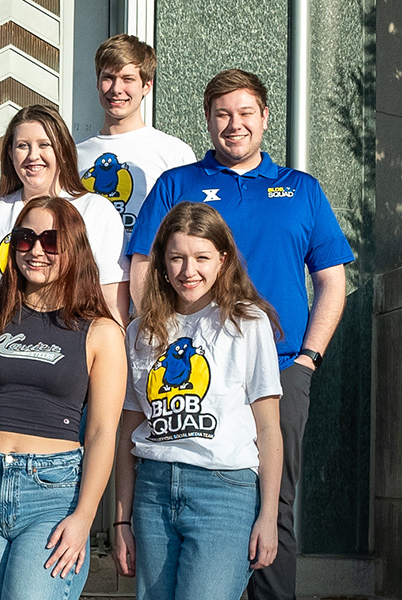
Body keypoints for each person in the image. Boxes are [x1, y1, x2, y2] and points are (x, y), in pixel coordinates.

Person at [126, 69, 355, 600]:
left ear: (265, 118)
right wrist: (159, 336)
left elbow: (331, 280)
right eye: (222, 114)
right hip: (188, 372)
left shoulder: (301, 190)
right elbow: (143, 266)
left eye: (246, 113)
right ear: (207, 120)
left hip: (279, 367)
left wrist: (308, 360)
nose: (234, 125)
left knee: (275, 506)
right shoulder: (176, 184)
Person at [0, 196, 126, 600]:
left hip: (53, 494)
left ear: (73, 248)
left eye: (50, 240)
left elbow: (102, 433)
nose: (36, 251)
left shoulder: (102, 332)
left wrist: (85, 516)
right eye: (25, 239)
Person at [114, 202, 284, 599]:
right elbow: (127, 432)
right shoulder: (140, 332)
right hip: (153, 491)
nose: (189, 271)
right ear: (161, 263)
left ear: (223, 260)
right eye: (177, 258)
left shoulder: (247, 322)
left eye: (202, 257)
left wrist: (270, 515)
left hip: (224, 490)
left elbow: (269, 427)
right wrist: (121, 521)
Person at [0, 104, 128, 393]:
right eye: (22, 146)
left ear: (63, 151)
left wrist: (111, 366)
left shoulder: (96, 211)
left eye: (44, 145)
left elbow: (111, 302)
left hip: (67, 367)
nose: (33, 156)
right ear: (9, 154)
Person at [75, 34, 195, 246]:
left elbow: (189, 229)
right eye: (108, 78)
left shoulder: (174, 152)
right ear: (97, 82)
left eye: (127, 79)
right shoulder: (73, 154)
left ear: (147, 86)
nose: (116, 89)